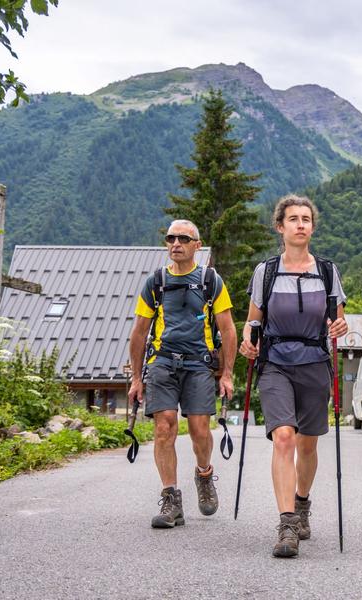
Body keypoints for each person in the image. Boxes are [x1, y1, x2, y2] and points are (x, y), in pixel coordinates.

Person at [239, 195, 347, 558]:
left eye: (306, 219)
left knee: (308, 443)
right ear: (280, 227)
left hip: (315, 362)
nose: (301, 224)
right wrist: (247, 340)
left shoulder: (328, 271)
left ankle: (302, 502)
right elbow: (254, 319)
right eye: (293, 219)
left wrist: (340, 325)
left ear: (312, 227)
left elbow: (336, 318)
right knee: (284, 436)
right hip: (276, 363)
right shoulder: (266, 271)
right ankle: (287, 524)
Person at [128, 219, 237, 529]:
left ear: (196, 246)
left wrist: (227, 374)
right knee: (164, 428)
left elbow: (228, 329)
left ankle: (204, 475)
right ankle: (170, 499)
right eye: (170, 238)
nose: (175, 243)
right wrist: (137, 378)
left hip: (199, 364)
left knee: (200, 429)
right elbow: (139, 332)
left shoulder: (211, 281)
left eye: (183, 239)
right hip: (162, 363)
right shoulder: (155, 282)